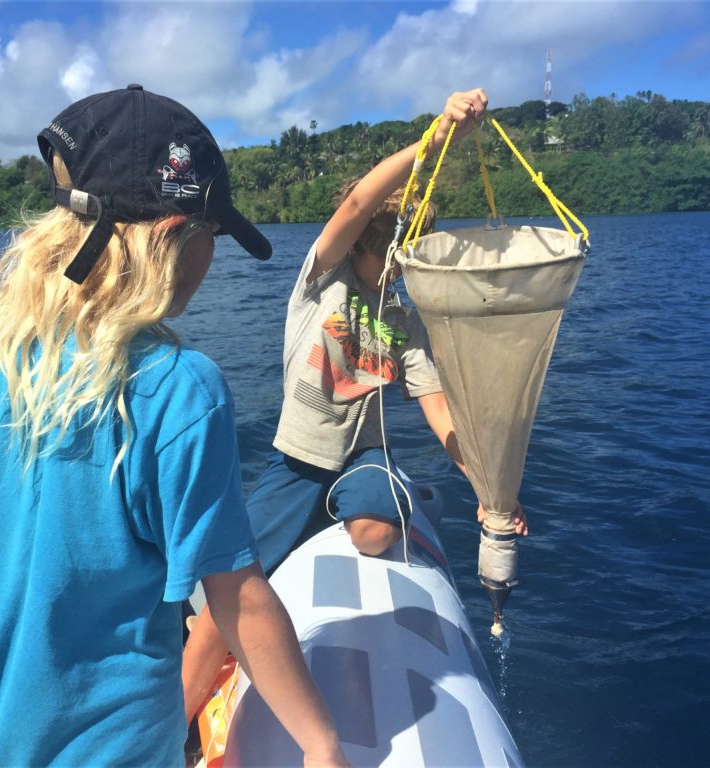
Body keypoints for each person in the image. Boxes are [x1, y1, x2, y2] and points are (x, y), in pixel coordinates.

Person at [0, 85, 347, 768]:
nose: (210, 260)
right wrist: (322, 745)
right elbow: (236, 600)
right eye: (211, 236)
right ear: (169, 235)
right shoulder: (180, 388)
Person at [183, 89, 529, 718]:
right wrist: (433, 136)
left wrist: (488, 489)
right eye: (405, 234)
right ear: (382, 236)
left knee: (373, 531)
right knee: (218, 607)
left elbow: (438, 409)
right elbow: (357, 200)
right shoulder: (323, 278)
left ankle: (399, 498)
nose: (413, 247)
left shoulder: (403, 314)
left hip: (362, 459)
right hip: (296, 463)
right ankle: (169, 729)